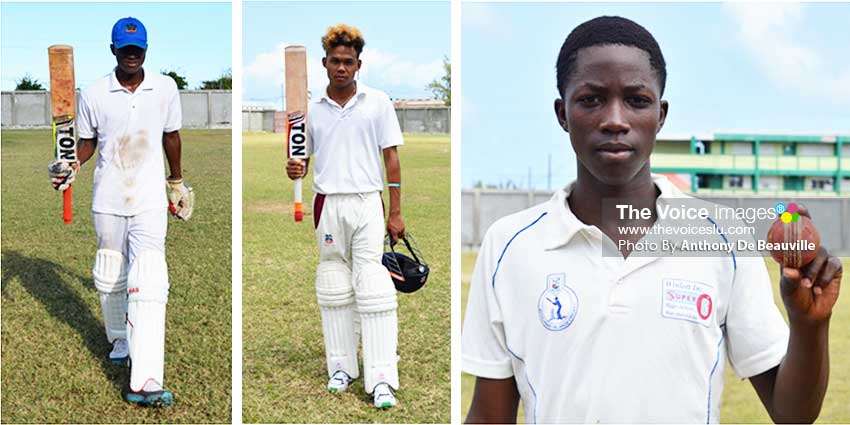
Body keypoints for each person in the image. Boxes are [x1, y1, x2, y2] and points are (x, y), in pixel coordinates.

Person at [462, 16, 842, 423]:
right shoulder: (509, 245)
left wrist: (808, 325)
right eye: (591, 99)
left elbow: (793, 414)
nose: (615, 120)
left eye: (636, 100)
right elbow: (489, 416)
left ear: (660, 115)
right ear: (562, 113)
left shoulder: (722, 238)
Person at [48, 16, 194, 407]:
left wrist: (176, 182)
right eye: (125, 49)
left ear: (146, 50)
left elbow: (171, 136)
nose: (132, 55)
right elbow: (87, 142)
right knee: (110, 270)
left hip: (148, 199)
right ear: (113, 50)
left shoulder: (165, 88)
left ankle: (145, 378)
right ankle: (119, 338)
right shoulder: (95, 93)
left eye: (138, 49)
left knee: (149, 275)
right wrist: (70, 165)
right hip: (109, 198)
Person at [285, 23, 406, 409]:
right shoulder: (309, 109)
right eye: (335, 61)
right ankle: (341, 367)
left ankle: (382, 378)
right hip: (327, 203)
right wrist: (295, 168)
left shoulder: (377, 102)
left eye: (348, 62)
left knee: (373, 285)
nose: (341, 68)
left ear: (358, 64)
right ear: (324, 63)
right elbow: (302, 156)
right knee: (334, 285)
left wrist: (397, 212)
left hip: (367, 201)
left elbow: (392, 158)